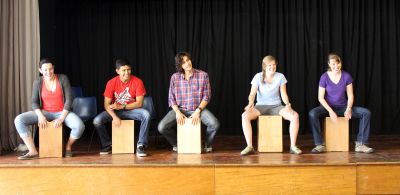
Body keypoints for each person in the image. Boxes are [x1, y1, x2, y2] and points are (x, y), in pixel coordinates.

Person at [14, 58, 85, 160]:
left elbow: (69, 99)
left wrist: (61, 118)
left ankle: (68, 146)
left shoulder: (63, 78)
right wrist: (40, 116)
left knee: (79, 126)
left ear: (53, 68)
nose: (48, 72)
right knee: (19, 120)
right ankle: (32, 151)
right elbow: (34, 102)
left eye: (50, 69)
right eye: (45, 70)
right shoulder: (37, 82)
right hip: (44, 112)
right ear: (40, 70)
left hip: (62, 112)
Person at [309, 53, 374, 153]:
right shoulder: (324, 77)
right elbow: (320, 98)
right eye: (333, 64)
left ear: (341, 63)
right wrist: (330, 111)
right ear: (329, 64)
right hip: (327, 108)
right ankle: (319, 144)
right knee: (312, 113)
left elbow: (351, 95)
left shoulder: (346, 76)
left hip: (343, 107)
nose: (336, 66)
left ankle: (361, 144)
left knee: (366, 113)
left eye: (338, 63)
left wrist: (348, 108)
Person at [158, 52, 219, 152]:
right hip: (180, 109)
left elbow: (206, 96)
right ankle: (178, 144)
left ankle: (207, 143)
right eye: (184, 62)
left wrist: (198, 111)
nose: (187, 63)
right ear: (180, 66)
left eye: (188, 60)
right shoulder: (175, 77)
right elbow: (171, 98)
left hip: (198, 109)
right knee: (162, 127)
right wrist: (177, 112)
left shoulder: (203, 75)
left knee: (214, 124)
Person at [240, 55, 302, 156]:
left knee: (295, 116)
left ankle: (293, 146)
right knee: (244, 116)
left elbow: (283, 93)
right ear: (264, 66)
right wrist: (250, 103)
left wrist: (287, 104)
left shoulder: (280, 76)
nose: (272, 67)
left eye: (274, 65)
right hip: (260, 106)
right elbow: (252, 94)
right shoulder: (258, 76)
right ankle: (249, 146)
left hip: (276, 106)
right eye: (269, 65)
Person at [93, 59, 151, 157]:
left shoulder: (138, 81)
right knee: (97, 121)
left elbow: (139, 103)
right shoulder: (111, 83)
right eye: (123, 70)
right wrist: (114, 117)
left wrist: (122, 106)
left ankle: (141, 145)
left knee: (146, 114)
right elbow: (106, 105)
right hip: (115, 111)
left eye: (128, 70)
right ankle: (108, 145)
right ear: (117, 71)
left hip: (131, 110)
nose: (126, 73)